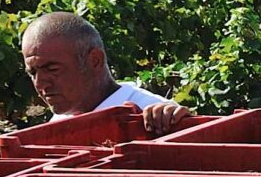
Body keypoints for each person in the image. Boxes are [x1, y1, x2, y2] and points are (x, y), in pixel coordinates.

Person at [19, 12, 192, 133]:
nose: (40, 84)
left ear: (94, 61)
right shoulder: (60, 122)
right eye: (33, 73)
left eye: (53, 69)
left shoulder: (155, 117)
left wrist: (175, 120)